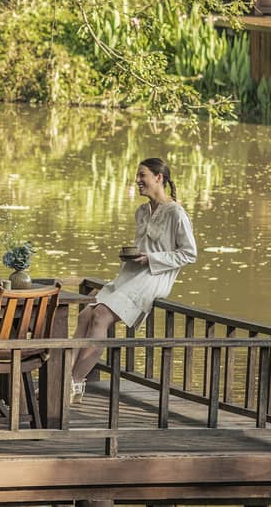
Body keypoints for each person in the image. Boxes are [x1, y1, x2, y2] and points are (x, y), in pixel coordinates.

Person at [70, 157, 197, 401]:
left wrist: (150, 259)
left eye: (142, 175)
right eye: (138, 176)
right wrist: (134, 256)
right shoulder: (141, 211)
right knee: (85, 314)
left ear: (158, 178)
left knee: (100, 316)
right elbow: (144, 245)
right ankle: (65, 380)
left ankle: (74, 382)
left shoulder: (176, 213)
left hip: (154, 277)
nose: (137, 180)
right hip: (130, 275)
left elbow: (189, 254)